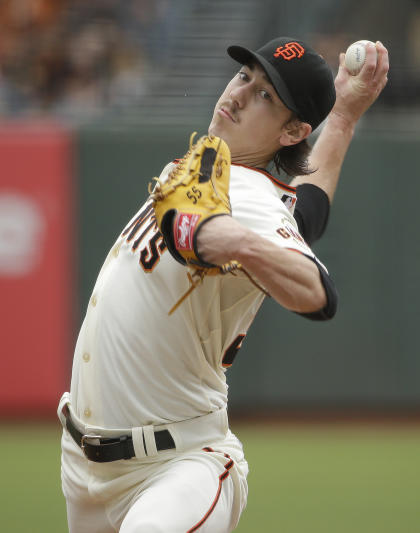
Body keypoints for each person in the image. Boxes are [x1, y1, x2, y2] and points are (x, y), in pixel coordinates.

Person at [57, 36, 389, 532]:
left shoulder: (248, 195)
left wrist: (232, 241)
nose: (236, 94)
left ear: (295, 131)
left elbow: (318, 292)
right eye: (244, 77)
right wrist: (342, 116)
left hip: (175, 470)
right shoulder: (210, 174)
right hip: (84, 468)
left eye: (264, 96)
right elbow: (309, 214)